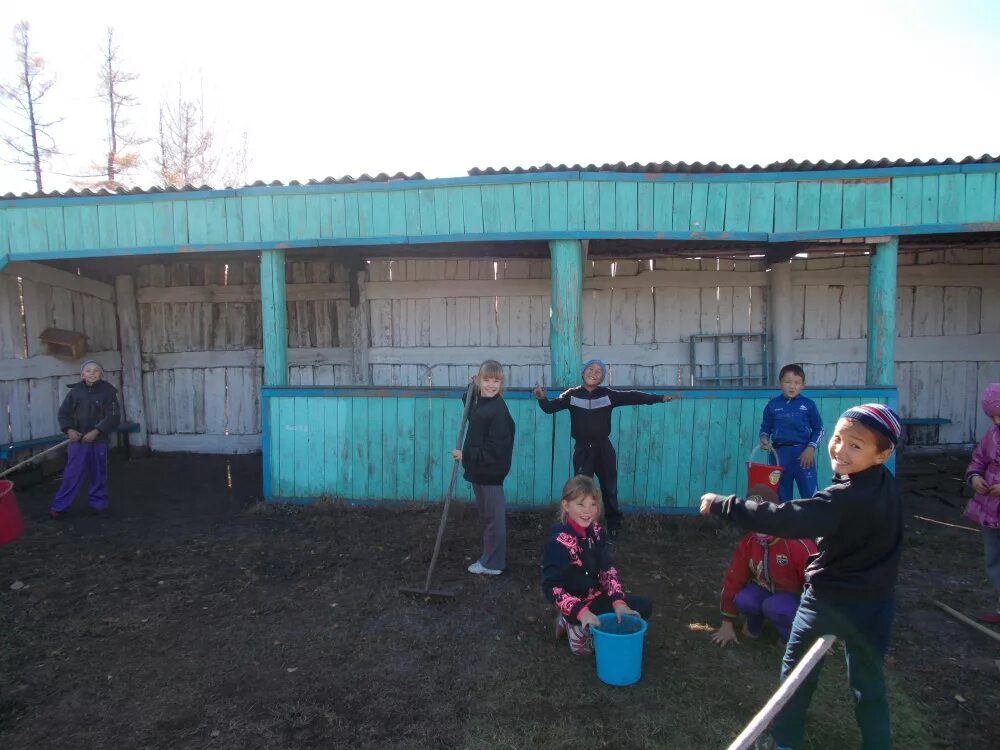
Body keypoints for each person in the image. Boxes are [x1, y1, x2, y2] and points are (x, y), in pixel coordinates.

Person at [701, 403, 902, 750]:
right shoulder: (885, 485)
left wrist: (726, 505)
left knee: (795, 679)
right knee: (869, 686)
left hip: (828, 601)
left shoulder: (845, 498)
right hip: (876, 603)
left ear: (882, 454)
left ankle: (785, 742)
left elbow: (787, 519)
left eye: (855, 444)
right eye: (838, 438)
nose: (840, 449)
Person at [533, 359, 675, 537]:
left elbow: (633, 396)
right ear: (583, 373)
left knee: (609, 487)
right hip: (583, 450)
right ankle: (580, 526)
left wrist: (659, 398)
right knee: (581, 490)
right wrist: (541, 398)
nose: (593, 373)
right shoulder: (572, 395)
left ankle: (614, 524)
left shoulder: (608, 395)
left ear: (602, 378)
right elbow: (549, 408)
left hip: (604, 449)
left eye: (599, 371)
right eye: (590, 369)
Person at [542, 475, 652, 656]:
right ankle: (573, 623)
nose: (588, 511)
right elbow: (551, 587)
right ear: (566, 506)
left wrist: (618, 601)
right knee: (583, 652)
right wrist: (580, 612)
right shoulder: (558, 542)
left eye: (593, 504)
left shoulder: (597, 532)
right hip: (575, 604)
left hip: (597, 599)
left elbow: (607, 569)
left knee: (643, 608)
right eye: (581, 504)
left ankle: (587, 625)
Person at [712, 508, 817, 646]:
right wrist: (727, 623)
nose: (760, 524)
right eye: (754, 518)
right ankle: (754, 624)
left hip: (793, 597)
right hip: (764, 588)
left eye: (765, 517)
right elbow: (734, 580)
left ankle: (793, 635)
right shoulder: (748, 542)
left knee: (775, 607)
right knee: (744, 599)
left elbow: (818, 585)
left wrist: (820, 628)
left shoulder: (797, 543)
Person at [452, 360, 515, 576]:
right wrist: (470, 389)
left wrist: (466, 455)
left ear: (501, 383)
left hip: (491, 472)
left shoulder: (498, 411)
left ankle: (494, 563)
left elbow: (495, 450)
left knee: (493, 518)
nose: (490, 385)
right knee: (488, 516)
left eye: (495, 381)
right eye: (486, 380)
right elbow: (471, 411)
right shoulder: (483, 404)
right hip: (481, 471)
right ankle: (489, 558)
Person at [49, 360, 121, 519]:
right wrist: (69, 430)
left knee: (99, 473)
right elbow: (64, 414)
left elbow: (114, 416)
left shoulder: (108, 392)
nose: (92, 373)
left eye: (96, 370)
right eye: (88, 370)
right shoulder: (75, 392)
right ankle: (59, 506)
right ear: (82, 375)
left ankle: (99, 504)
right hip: (78, 441)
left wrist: (96, 431)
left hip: (99, 441)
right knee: (72, 473)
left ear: (101, 374)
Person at [759, 364, 824, 502]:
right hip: (778, 455)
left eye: (797, 383)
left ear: (803, 385)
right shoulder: (772, 405)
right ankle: (782, 523)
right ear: (780, 383)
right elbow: (765, 428)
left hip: (803, 455)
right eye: (787, 382)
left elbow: (819, 429)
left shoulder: (808, 405)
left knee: (810, 495)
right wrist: (764, 439)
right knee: (780, 496)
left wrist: (810, 449)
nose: (792, 386)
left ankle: (813, 523)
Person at [965, 382, 1000, 624]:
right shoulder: (992, 436)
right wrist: (976, 477)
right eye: (994, 418)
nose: (997, 422)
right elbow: (978, 461)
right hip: (990, 511)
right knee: (994, 561)